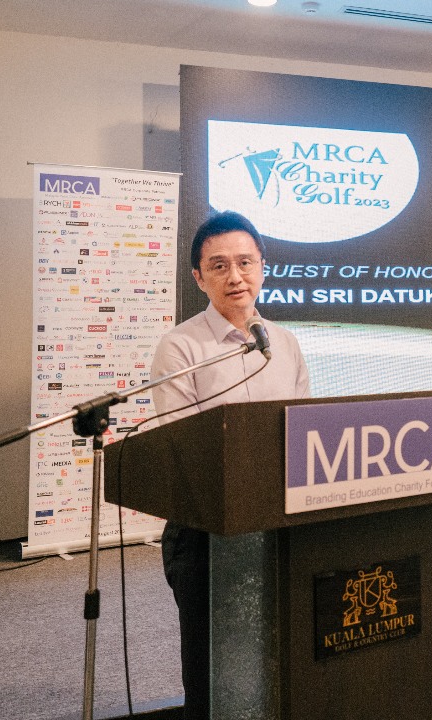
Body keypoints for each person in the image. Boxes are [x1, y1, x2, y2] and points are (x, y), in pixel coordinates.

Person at [150, 210, 310, 719]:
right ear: (199, 277)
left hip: (279, 520)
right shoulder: (180, 347)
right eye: (219, 266)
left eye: (245, 262)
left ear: (263, 267)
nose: (235, 276)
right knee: (213, 664)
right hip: (205, 528)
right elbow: (184, 443)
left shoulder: (283, 343)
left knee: (281, 650)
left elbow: (304, 430)